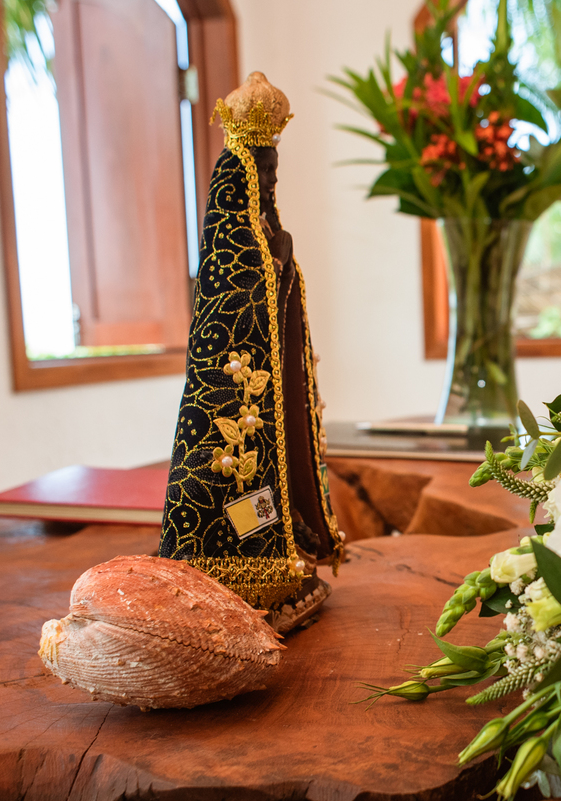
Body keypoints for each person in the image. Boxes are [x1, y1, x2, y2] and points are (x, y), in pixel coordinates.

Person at [159, 73, 343, 634]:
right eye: (262, 170)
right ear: (240, 170)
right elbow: (230, 305)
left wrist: (281, 262)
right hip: (232, 393)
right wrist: (273, 262)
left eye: (274, 172)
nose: (270, 181)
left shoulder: (266, 229)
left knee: (274, 463)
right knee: (235, 476)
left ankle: (282, 557)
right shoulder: (229, 234)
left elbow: (280, 303)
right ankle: (237, 571)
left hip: (268, 385)